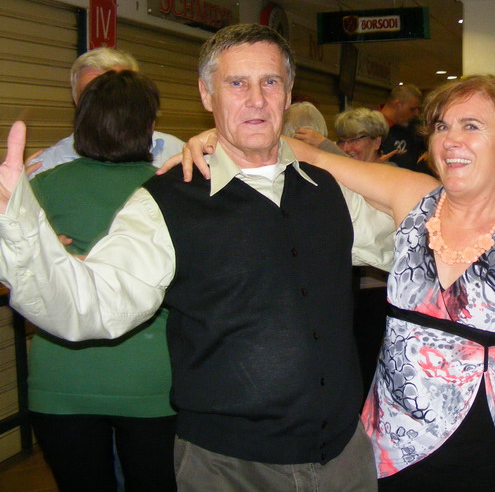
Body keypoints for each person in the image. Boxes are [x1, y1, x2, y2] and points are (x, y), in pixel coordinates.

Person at [178, 0, 495, 489]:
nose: (450, 140)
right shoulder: (416, 198)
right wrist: (220, 136)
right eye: (441, 126)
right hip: (387, 453)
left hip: (488, 456)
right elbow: (311, 154)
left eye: (472, 126)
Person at [0, 24, 398, 491]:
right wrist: (16, 225)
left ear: (288, 93)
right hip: (228, 468)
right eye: (237, 83)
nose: (256, 99)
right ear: (207, 95)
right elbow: (92, 305)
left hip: (344, 458)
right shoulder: (168, 201)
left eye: (270, 82)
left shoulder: (329, 189)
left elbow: (418, 248)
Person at [26, 70, 176, 492]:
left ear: (81, 123)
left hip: (61, 382)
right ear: (149, 127)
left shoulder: (40, 186)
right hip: (150, 381)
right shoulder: (172, 190)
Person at [26, 47, 185, 175]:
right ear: (75, 100)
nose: (103, 104)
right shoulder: (46, 167)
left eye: (116, 93)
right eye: (91, 94)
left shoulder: (179, 153)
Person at [378, 83, 424, 170]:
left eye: (418, 109)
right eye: (412, 109)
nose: (416, 114)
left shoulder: (415, 126)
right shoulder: (370, 127)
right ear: (397, 104)